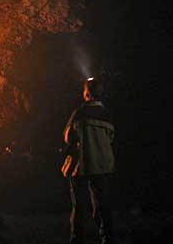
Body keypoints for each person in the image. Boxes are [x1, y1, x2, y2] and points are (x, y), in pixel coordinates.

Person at [63, 77, 116, 244]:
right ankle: (106, 238)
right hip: (102, 166)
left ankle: (77, 240)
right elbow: (111, 138)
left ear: (86, 94)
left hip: (80, 166)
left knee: (79, 207)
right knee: (103, 206)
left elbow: (68, 137)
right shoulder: (107, 115)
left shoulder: (79, 113)